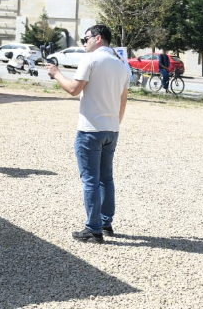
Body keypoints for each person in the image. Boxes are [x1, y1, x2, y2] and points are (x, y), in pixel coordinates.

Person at [47, 24, 129, 243]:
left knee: (90, 179)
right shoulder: (121, 65)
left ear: (98, 38)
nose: (84, 43)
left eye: (86, 39)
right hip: (111, 129)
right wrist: (115, 123)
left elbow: (74, 89)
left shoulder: (91, 59)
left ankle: (93, 229)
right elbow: (123, 100)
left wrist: (56, 74)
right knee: (106, 178)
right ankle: (105, 223)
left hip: (90, 129)